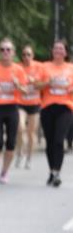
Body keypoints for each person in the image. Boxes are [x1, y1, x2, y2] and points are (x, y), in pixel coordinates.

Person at [0, 38, 28, 184]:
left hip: (12, 107)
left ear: (13, 53)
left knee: (11, 143)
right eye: (2, 49)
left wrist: (18, 86)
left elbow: (26, 90)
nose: (5, 52)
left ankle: (4, 172)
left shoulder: (18, 70)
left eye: (8, 50)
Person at [36, 39, 73, 187]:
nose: (58, 51)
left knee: (59, 140)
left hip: (65, 107)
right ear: (52, 51)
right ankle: (52, 171)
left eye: (61, 49)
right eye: (56, 49)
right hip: (48, 106)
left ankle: (57, 173)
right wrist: (48, 83)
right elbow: (36, 85)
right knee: (50, 142)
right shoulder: (45, 67)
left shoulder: (71, 68)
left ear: (65, 52)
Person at [15, 44, 43, 169]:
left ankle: (29, 158)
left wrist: (35, 81)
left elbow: (44, 83)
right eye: (24, 54)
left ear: (33, 56)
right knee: (20, 128)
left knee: (31, 133)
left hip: (34, 103)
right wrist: (20, 85)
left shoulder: (39, 67)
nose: (26, 57)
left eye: (29, 54)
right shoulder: (17, 67)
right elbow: (14, 82)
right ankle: (20, 153)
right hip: (20, 102)